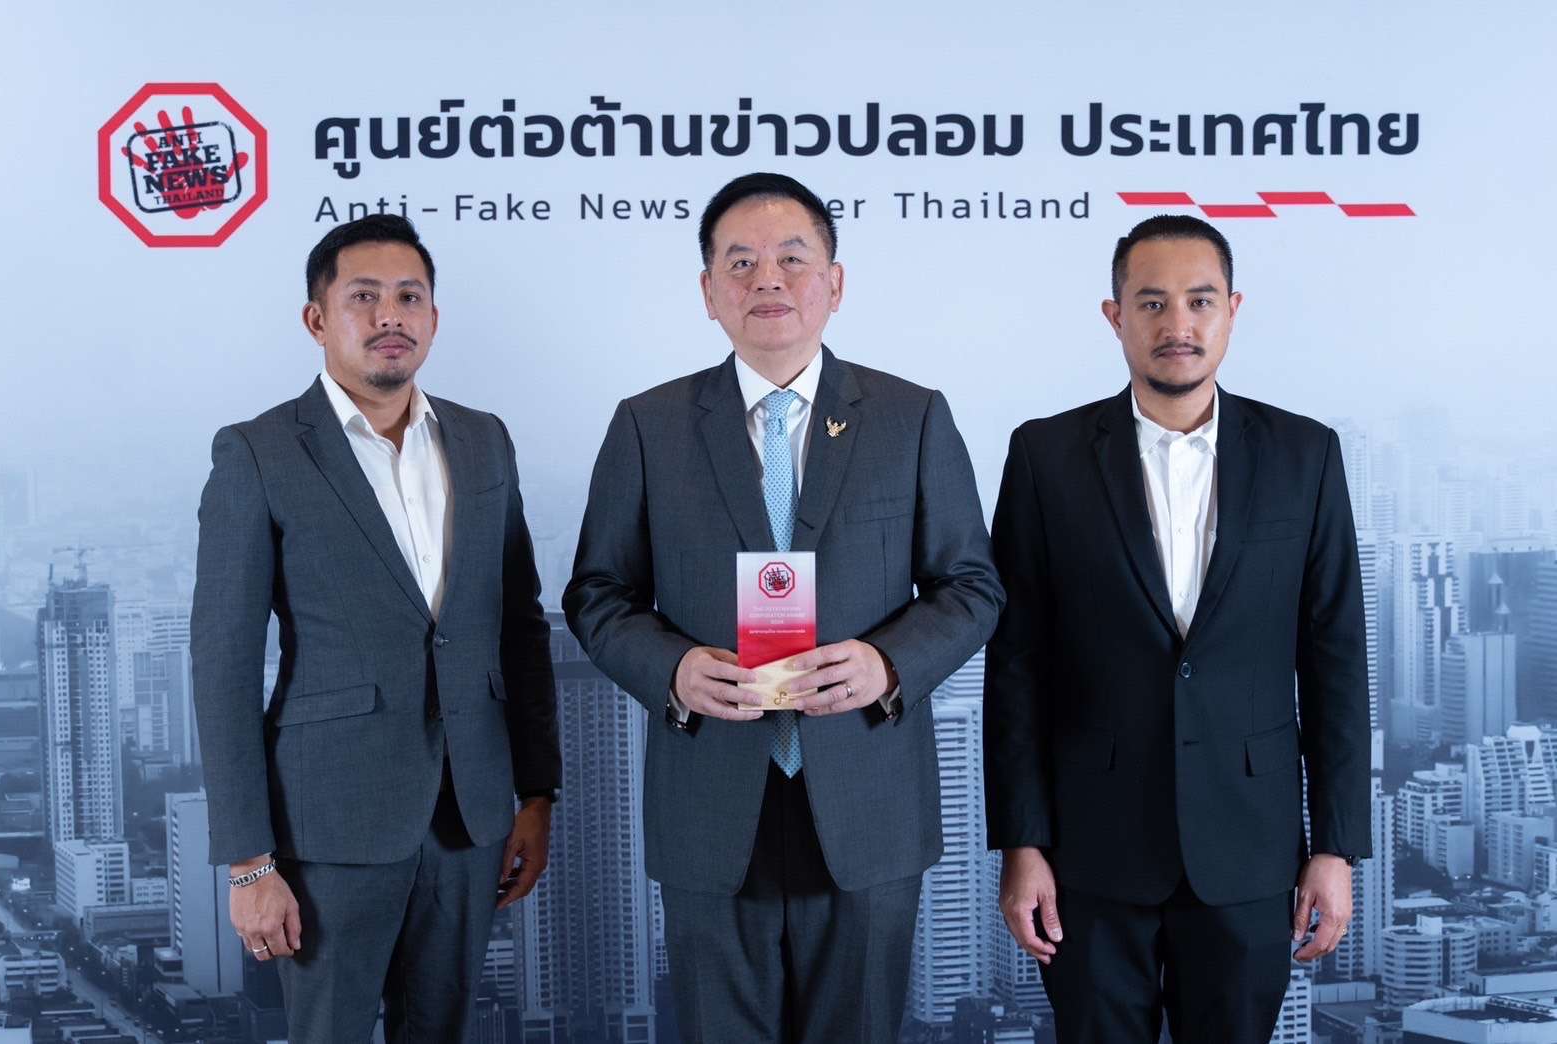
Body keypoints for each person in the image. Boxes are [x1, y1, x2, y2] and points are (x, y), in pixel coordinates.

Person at [563, 172, 1003, 1043]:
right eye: (741, 262)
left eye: (792, 259)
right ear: (708, 292)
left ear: (834, 283)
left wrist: (887, 663)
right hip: (710, 798)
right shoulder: (648, 425)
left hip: (867, 799)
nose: (768, 279)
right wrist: (674, 670)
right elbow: (597, 593)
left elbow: (972, 586)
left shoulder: (910, 417)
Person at [985, 214, 1371, 1042]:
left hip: (1250, 847)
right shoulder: (1046, 456)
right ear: (1115, 315)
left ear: (1233, 310)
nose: (1178, 324)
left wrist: (1335, 848)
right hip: (1090, 852)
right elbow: (1017, 665)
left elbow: (1335, 660)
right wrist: (1021, 842)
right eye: (1152, 302)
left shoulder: (1305, 454)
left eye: (1200, 301)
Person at [191, 213, 560, 1042]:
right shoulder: (259, 453)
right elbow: (223, 665)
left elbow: (519, 628)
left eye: (409, 297)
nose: (390, 315)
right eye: (364, 297)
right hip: (328, 823)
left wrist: (538, 794)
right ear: (317, 319)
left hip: (470, 818)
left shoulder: (483, 440)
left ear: (433, 316)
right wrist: (249, 863)